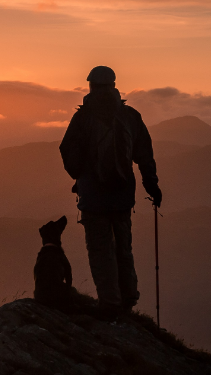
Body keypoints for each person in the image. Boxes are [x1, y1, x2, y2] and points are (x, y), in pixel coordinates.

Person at [59, 65, 161, 317]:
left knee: (100, 248)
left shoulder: (82, 119)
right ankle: (128, 298)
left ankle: (110, 303)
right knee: (123, 247)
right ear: (114, 86)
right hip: (123, 194)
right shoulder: (130, 116)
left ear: (91, 87)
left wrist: (81, 175)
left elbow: (67, 151)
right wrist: (152, 186)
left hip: (93, 196)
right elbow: (144, 155)